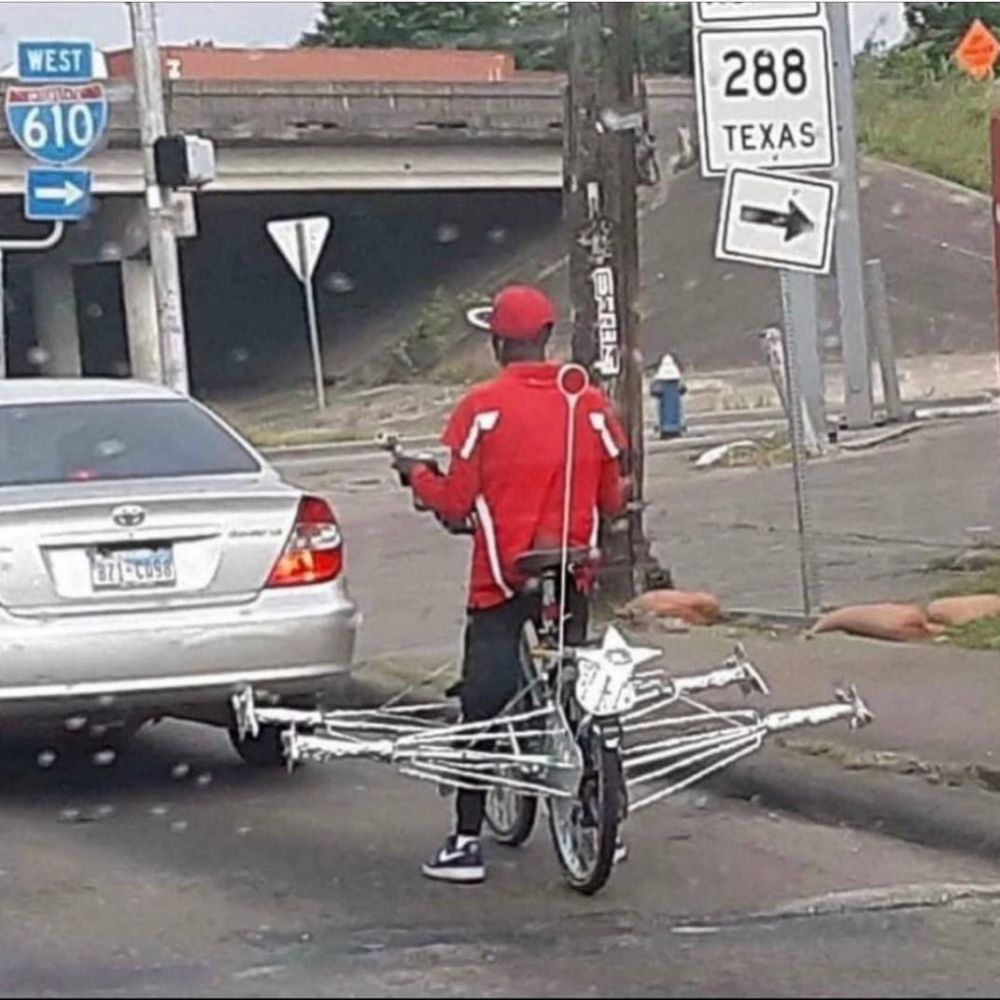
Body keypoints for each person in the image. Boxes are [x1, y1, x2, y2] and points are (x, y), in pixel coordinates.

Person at [392, 283, 630, 884]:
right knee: (579, 688)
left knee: (483, 707)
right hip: (572, 570)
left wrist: (417, 475)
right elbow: (612, 495)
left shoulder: (482, 408)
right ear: (548, 339)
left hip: (503, 578)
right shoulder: (589, 404)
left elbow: (455, 502)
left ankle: (466, 841)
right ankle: (604, 816)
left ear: (499, 342)